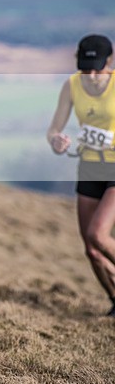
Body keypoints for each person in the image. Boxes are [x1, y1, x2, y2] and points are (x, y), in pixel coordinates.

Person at [47, 34, 115, 318]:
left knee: (97, 235)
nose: (91, 75)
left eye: (97, 69)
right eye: (85, 68)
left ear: (110, 62)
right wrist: (57, 141)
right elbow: (54, 129)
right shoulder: (72, 86)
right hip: (89, 167)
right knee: (91, 251)